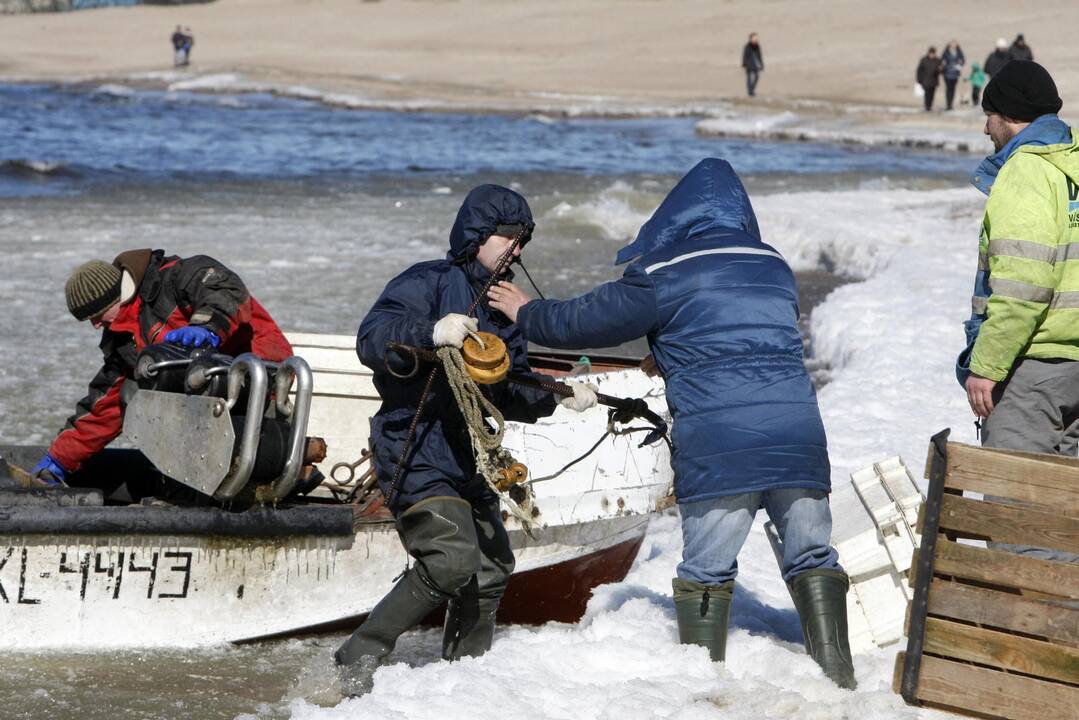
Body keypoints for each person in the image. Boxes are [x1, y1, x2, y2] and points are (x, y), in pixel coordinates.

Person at [488, 158, 857, 689]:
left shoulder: (665, 272)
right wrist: (672, 351)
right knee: (813, 556)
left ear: (678, 214)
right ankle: (839, 679)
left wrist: (525, 312)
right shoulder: (772, 263)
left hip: (721, 443)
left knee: (707, 573)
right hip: (797, 435)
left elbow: (585, 321)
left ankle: (703, 688)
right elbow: (741, 335)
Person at [334, 185, 596, 689]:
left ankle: (462, 682)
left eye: (523, 240)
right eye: (509, 238)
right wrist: (431, 332)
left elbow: (509, 388)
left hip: (471, 454)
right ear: (477, 237)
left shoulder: (505, 308)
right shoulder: (427, 281)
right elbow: (373, 336)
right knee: (453, 558)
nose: (518, 249)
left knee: (492, 567)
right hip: (414, 445)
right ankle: (359, 656)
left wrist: (558, 395)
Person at [31, 249, 293, 487]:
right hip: (200, 393)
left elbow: (224, 289)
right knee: (133, 393)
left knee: (198, 387)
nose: (96, 326)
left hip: (256, 370)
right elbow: (105, 406)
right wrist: (60, 458)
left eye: (96, 317)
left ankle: (270, 469)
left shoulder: (173, 278)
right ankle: (190, 487)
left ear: (113, 299)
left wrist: (207, 327)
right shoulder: (122, 339)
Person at [956, 61, 1078, 564]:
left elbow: (1023, 285)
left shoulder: (1026, 171)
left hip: (1035, 369)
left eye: (989, 115)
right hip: (1073, 368)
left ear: (1008, 116)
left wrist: (986, 366)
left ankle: (1031, 637)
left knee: (1019, 517)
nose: (985, 127)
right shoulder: (1072, 164)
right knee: (1066, 517)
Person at [941, 40, 966, 111]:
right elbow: (942, 60)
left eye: (955, 44)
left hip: (955, 74)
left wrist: (960, 64)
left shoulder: (958, 52)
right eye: (952, 44)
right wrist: (944, 65)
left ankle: (950, 104)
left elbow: (963, 60)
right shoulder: (946, 52)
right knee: (948, 89)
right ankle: (948, 104)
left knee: (953, 89)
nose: (953, 45)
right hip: (947, 74)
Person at [916, 47, 942, 112]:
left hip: (934, 80)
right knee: (927, 94)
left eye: (933, 54)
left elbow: (940, 71)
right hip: (925, 80)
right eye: (931, 53)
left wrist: (940, 70)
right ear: (929, 53)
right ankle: (927, 106)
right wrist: (919, 79)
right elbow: (919, 70)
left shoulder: (938, 60)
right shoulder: (924, 59)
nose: (932, 55)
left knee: (932, 94)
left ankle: (929, 106)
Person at [741, 33, 764, 98]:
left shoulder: (757, 46)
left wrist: (762, 64)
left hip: (755, 65)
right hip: (749, 64)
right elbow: (744, 56)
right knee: (749, 78)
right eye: (754, 38)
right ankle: (750, 92)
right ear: (751, 38)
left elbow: (759, 56)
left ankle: (752, 90)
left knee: (756, 77)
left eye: (756, 38)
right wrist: (744, 64)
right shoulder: (747, 46)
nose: (756, 39)